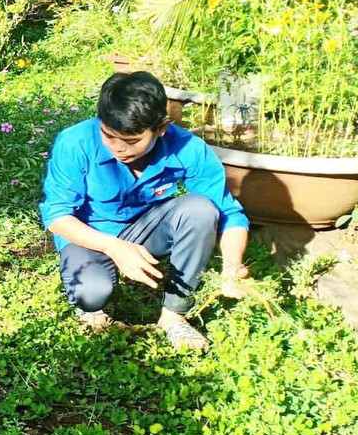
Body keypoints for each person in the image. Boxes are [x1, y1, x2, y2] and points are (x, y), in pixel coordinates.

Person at [38, 71, 250, 351]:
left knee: (200, 209)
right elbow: (56, 215)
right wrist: (113, 247)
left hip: (148, 231)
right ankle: (92, 305)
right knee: (91, 294)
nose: (118, 149)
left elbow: (229, 214)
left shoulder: (188, 148)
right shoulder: (75, 142)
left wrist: (232, 265)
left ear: (161, 128)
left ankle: (174, 316)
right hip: (89, 235)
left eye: (132, 141)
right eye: (109, 136)